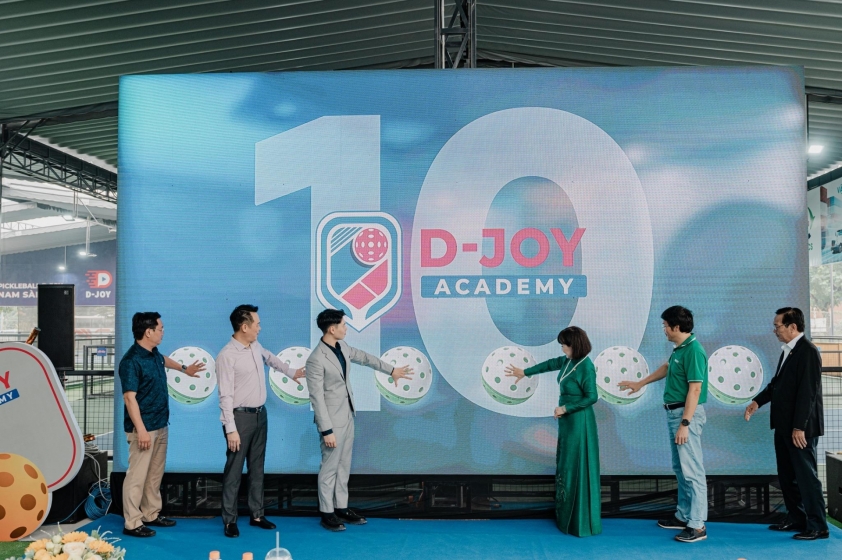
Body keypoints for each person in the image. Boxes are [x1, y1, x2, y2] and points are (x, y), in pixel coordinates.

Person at [306, 308, 413, 532]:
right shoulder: (316, 359)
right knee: (330, 467)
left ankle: (341, 507)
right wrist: (327, 430)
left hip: (348, 415)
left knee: (344, 465)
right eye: (343, 325)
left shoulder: (342, 347)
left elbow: (365, 358)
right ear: (332, 329)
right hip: (331, 422)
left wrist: (391, 370)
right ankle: (327, 513)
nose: (346, 328)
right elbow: (316, 398)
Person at [618, 306, 709, 543]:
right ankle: (683, 515)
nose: (664, 330)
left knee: (693, 471)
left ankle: (698, 525)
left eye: (665, 326)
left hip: (685, 415)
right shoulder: (680, 349)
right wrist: (641, 383)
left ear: (676, 327)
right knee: (681, 468)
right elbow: (668, 367)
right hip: (674, 414)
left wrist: (685, 423)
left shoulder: (694, 351)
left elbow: (695, 390)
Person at [216, 304, 305, 538]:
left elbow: (270, 358)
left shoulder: (255, 346)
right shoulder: (227, 355)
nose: (260, 328)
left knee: (257, 468)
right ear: (244, 327)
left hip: (260, 416)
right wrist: (230, 429)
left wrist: (291, 372)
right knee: (234, 470)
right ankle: (229, 520)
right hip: (239, 419)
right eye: (257, 324)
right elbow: (225, 395)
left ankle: (257, 514)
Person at [505, 326, 601, 537]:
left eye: (564, 345)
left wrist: (565, 408)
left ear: (575, 345)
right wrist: (524, 372)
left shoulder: (586, 366)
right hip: (568, 420)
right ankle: (566, 515)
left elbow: (592, 397)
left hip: (579, 421)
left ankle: (579, 520)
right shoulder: (568, 361)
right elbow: (549, 364)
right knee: (566, 461)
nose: (562, 348)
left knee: (575, 463)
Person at [744, 307, 828, 540]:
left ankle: (818, 525)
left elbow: (808, 392)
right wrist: (757, 402)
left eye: (777, 326)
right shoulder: (788, 351)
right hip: (783, 426)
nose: (775, 330)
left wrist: (799, 427)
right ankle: (796, 518)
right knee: (787, 476)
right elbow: (777, 384)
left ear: (792, 327)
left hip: (800, 429)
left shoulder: (808, 351)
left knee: (806, 477)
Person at [120, 311, 205, 537]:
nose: (163, 332)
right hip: (144, 428)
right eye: (160, 329)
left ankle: (150, 514)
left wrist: (185, 369)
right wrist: (141, 430)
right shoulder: (131, 361)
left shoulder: (153, 353)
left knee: (154, 475)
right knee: (137, 476)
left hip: (160, 423)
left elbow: (163, 359)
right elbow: (129, 398)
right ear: (148, 332)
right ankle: (132, 522)